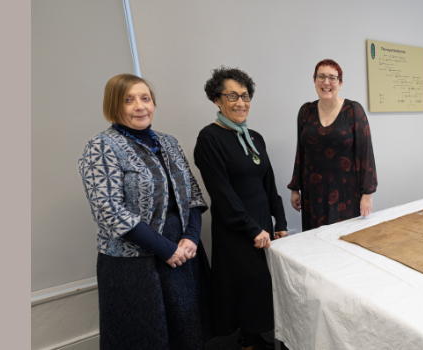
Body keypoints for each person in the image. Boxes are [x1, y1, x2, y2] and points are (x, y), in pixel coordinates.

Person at [78, 73, 212, 350]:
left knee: (186, 331)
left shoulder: (169, 142)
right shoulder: (101, 146)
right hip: (134, 262)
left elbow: (194, 196)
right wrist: (166, 249)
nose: (140, 106)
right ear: (114, 105)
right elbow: (108, 210)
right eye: (129, 100)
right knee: (143, 337)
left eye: (145, 98)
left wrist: (191, 237)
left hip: (181, 254)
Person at [193, 66, 289, 350]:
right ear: (217, 100)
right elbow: (222, 193)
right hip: (236, 229)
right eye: (232, 96)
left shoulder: (255, 137)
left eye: (245, 96)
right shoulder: (209, 139)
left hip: (262, 225)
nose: (240, 103)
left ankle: (255, 338)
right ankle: (249, 340)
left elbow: (269, 183)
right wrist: (252, 228)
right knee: (249, 287)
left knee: (263, 288)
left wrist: (280, 222)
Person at [288, 59, 378, 231]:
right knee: (315, 241)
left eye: (332, 78)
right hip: (312, 192)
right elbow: (301, 151)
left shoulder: (353, 110)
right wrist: (295, 188)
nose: (326, 82)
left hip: (346, 191)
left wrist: (367, 194)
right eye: (321, 77)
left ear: (340, 82)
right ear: (314, 80)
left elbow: (365, 153)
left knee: (344, 241)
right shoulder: (306, 111)